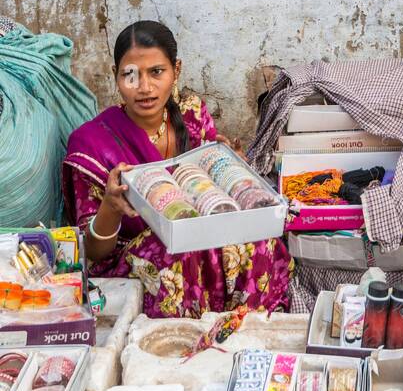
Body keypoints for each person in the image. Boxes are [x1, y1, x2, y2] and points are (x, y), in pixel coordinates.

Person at [63, 21, 291, 317]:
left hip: (203, 237)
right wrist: (111, 206)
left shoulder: (191, 114)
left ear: (176, 70)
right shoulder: (92, 144)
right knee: (174, 249)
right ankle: (178, 342)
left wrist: (231, 169)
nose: (144, 87)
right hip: (143, 256)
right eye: (130, 75)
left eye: (156, 72)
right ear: (116, 77)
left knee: (257, 239)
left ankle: (244, 331)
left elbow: (212, 199)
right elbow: (94, 252)